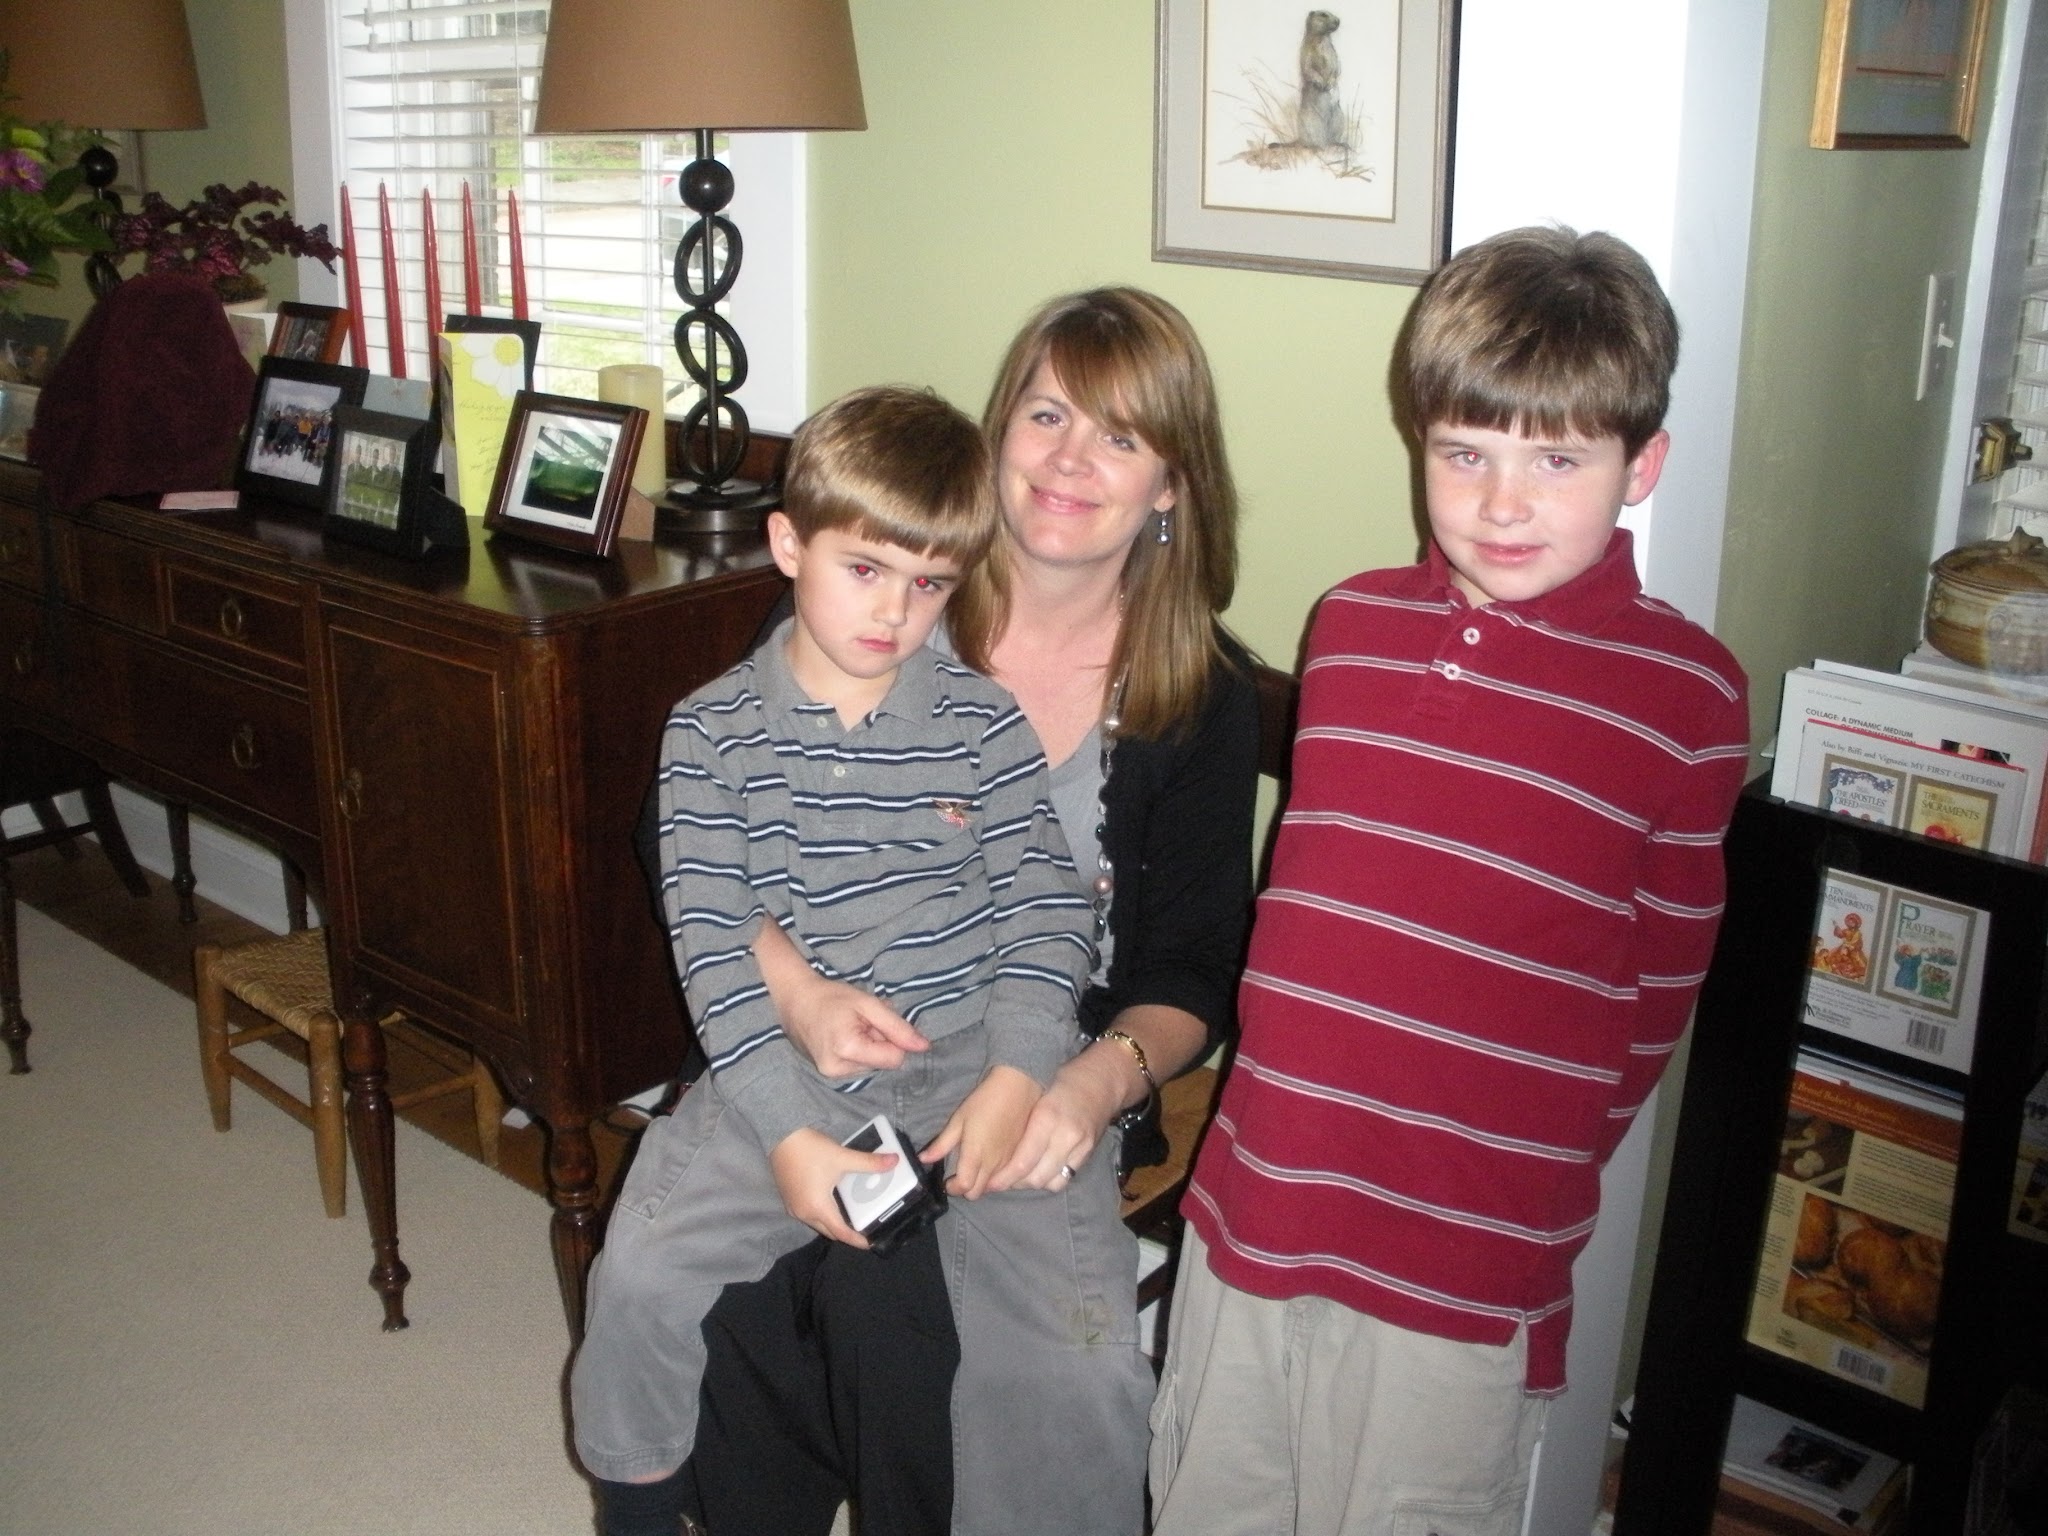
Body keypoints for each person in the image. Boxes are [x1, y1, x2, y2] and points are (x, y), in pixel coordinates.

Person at [1147, 226, 1752, 1535]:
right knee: (1207, 1495)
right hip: (1261, 1193)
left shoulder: (1689, 698)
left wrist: (1526, 1171)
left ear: (1640, 465)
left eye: (1558, 459)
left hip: (1466, 1253)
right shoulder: (1350, 629)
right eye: (1464, 452)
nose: (1502, 502)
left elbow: (1657, 990)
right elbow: (1307, 900)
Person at [682, 287, 1263, 1536]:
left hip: (1047, 1062)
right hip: (824, 1030)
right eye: (1046, 414)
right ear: (999, 431)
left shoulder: (1203, 694)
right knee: (800, 1299)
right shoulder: (882, 590)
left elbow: (1194, 969)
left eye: (1119, 435)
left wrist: (1085, 1088)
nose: (1067, 459)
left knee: (1057, 1374)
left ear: (1170, 484)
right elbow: (685, 834)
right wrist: (800, 995)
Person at [569, 384, 1107, 1535]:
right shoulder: (708, 733)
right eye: (864, 568)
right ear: (788, 545)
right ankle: (636, 1512)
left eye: (930, 584)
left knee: (1066, 1351)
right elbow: (715, 947)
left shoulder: (983, 723)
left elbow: (1045, 915)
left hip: (972, 1066)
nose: (895, 612)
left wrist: (1017, 1074)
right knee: (638, 1278)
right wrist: (787, 1137)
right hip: (785, 1069)